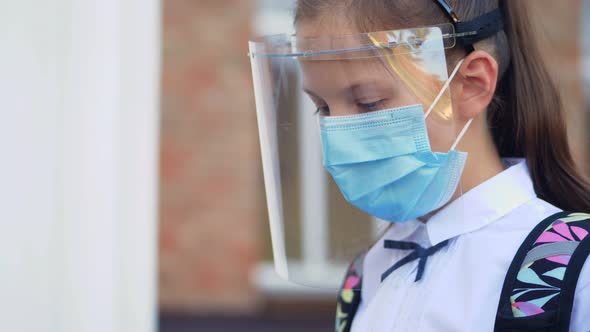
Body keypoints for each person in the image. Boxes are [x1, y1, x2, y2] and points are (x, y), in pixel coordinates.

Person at [249, 0, 590, 331]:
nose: (339, 131)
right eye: (322, 107)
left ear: (471, 84)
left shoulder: (571, 270)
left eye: (368, 102)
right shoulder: (367, 275)